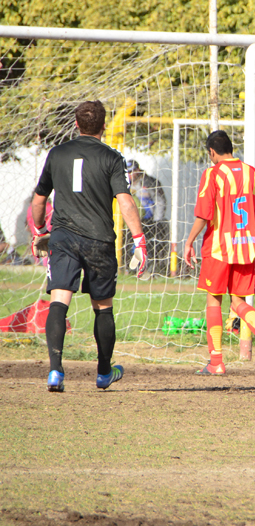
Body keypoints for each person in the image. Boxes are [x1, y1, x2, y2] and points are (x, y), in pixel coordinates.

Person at [30, 100, 147, 393]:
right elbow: (125, 201)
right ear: (104, 126)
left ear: (76, 124)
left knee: (59, 300)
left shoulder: (56, 154)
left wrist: (41, 230)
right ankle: (104, 373)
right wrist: (139, 240)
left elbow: (39, 200)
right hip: (99, 241)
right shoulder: (112, 157)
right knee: (103, 308)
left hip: (64, 238)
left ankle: (56, 371)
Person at [184, 131, 255, 375]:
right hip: (246, 246)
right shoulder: (251, 173)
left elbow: (204, 215)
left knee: (214, 300)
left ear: (212, 152)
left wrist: (189, 241)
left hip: (218, 247)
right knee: (238, 301)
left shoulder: (212, 174)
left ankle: (216, 362)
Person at [225, 148, 255, 336]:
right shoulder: (245, 186)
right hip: (244, 244)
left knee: (254, 288)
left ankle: (253, 327)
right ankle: (234, 325)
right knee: (238, 291)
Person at [125, 160, 169, 277]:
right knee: (129, 244)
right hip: (130, 221)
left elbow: (160, 201)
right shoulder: (125, 183)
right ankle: (129, 268)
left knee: (148, 245)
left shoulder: (149, 182)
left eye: (132, 171)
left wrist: (157, 220)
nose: (130, 174)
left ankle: (147, 269)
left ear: (138, 170)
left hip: (149, 221)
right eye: (128, 172)